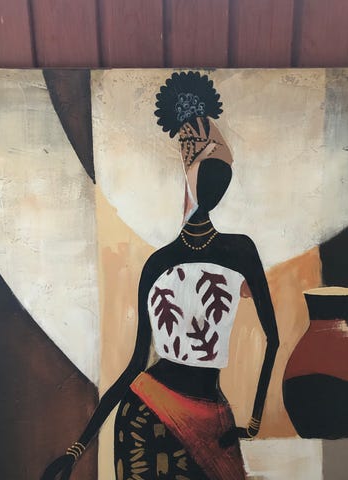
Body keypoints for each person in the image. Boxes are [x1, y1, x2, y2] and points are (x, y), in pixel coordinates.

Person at [41, 71, 279, 480]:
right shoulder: (158, 264)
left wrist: (254, 422)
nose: (215, 176)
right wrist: (76, 449)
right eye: (205, 164)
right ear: (188, 173)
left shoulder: (239, 251)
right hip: (144, 416)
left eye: (219, 165)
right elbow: (136, 363)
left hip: (211, 417)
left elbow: (273, 338)